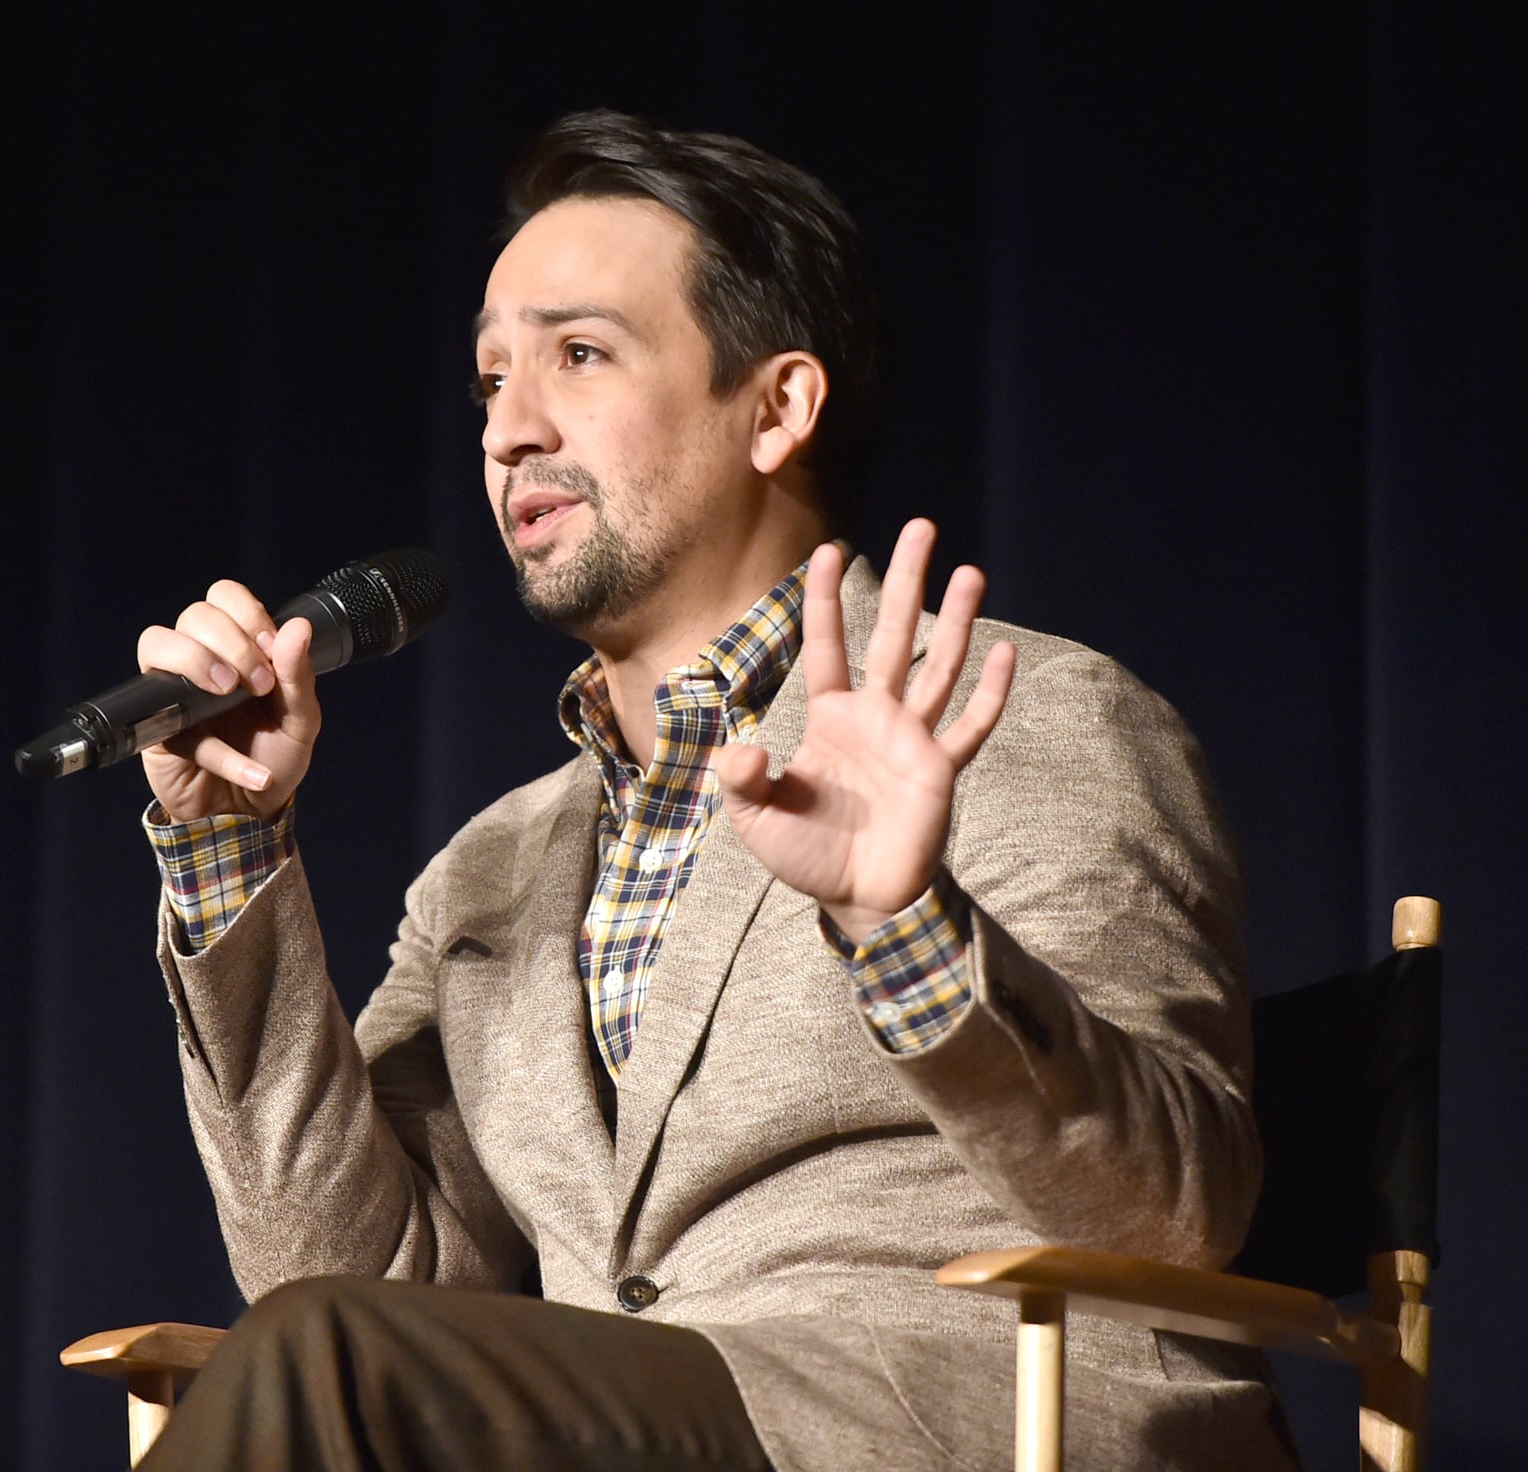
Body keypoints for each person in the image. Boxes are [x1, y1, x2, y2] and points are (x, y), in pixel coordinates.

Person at [125, 111, 1298, 1471]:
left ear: (778, 407)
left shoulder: (1023, 715)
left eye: (578, 356)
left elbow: (1176, 1212)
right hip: (624, 1428)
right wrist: (232, 853)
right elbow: (346, 1276)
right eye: (490, 381)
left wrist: (902, 922)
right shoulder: (495, 867)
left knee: (324, 1367)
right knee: (320, 1351)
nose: (509, 431)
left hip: (947, 1420)